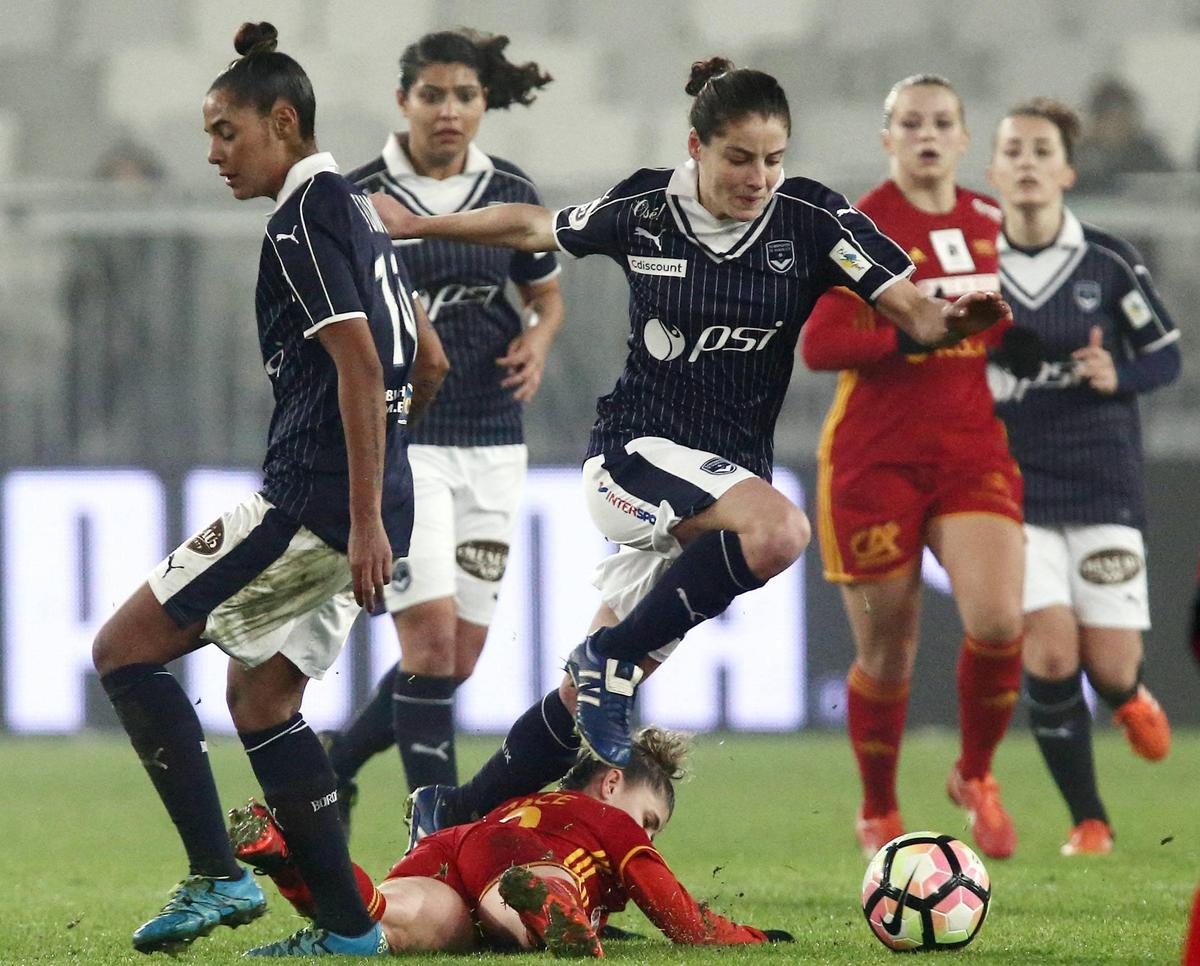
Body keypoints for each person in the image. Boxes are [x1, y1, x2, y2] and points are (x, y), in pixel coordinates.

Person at [371, 55, 1011, 792]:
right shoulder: (646, 209)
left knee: (582, 707)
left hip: (716, 493)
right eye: (739, 158)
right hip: (633, 461)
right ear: (696, 148)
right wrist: (419, 223)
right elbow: (532, 227)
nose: (758, 177)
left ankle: (453, 816)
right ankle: (608, 658)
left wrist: (953, 320)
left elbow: (918, 312)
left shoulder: (811, 220)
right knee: (779, 533)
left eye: (773, 159)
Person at [90, 22, 447, 957]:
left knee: (124, 652)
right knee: (260, 702)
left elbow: (362, 368)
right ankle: (347, 933)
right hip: (369, 503)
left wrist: (357, 515)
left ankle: (217, 874)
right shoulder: (361, 209)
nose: (212, 153)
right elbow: (430, 359)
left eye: (225, 131)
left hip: (312, 504)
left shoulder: (299, 221)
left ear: (282, 121)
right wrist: (383, 493)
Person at [321, 28, 564, 823]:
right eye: (433, 95)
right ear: (403, 101)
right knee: (426, 650)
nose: (449, 111)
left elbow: (546, 292)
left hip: (494, 435)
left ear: (484, 102)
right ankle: (444, 826)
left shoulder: (513, 188)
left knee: (457, 660)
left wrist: (538, 335)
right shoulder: (358, 195)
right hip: (406, 436)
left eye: (465, 95)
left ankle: (335, 763)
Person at [800, 75, 1025, 862]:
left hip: (969, 451)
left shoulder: (994, 221)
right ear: (886, 137)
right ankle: (878, 807)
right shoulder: (859, 228)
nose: (927, 135)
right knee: (888, 650)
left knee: (999, 621)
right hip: (875, 458)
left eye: (942, 122)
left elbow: (1005, 331)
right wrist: (914, 336)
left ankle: (975, 773)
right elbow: (820, 346)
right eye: (910, 123)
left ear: (965, 140)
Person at [986, 97, 1180, 856]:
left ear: (1066, 169)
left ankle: (1129, 695)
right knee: (1052, 655)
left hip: (1102, 483)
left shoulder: (1107, 260)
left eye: (1042, 150)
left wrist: (1117, 372)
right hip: (1015, 488)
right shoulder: (973, 266)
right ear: (996, 169)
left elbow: (1166, 355)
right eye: (1015, 150)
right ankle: (1089, 820)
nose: (1028, 162)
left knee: (1108, 664)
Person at [229, 727, 794, 956]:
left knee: (380, 921)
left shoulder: (529, 804)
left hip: (454, 847)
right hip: (521, 865)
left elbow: (487, 847)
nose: (645, 834)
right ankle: (550, 908)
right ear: (613, 782)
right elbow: (682, 920)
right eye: (649, 819)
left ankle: (291, 861)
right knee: (540, 886)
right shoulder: (604, 821)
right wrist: (754, 938)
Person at [1072, 77, 1173, 195]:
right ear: (1096, 120)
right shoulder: (1080, 156)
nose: (1117, 126)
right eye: (1110, 118)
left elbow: (1169, 183)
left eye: (1123, 118)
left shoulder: (1147, 152)